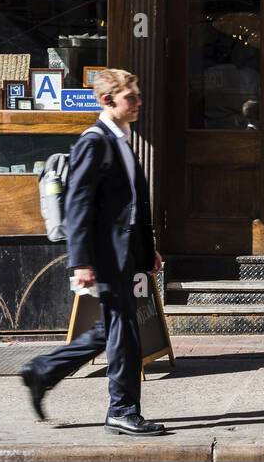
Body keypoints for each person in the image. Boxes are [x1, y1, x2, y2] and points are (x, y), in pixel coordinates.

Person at [20, 68, 166, 436]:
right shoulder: (95, 142)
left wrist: (148, 253)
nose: (138, 103)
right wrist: (81, 261)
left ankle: (43, 371)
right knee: (124, 333)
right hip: (105, 255)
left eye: (137, 96)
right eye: (130, 98)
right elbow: (79, 205)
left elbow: (132, 204)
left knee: (113, 328)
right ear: (107, 100)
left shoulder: (121, 139)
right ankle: (122, 410)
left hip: (125, 250)